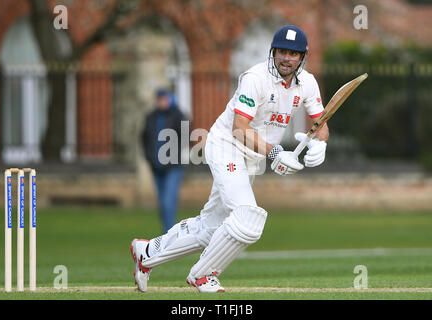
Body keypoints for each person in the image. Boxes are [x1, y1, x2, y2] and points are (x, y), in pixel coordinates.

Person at [131, 25, 329, 293]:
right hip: (227, 145)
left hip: (251, 156)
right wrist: (274, 153)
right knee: (247, 216)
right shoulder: (255, 78)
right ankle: (203, 275)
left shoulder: (308, 83)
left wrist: (320, 143)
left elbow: (321, 123)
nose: (286, 58)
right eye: (282, 51)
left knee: (211, 228)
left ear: (302, 56)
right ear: (273, 52)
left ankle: (147, 252)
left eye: (293, 54)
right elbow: (239, 127)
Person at [141, 89, 186, 233]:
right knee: (162, 204)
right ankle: (167, 232)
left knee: (168, 201)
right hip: (156, 167)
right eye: (159, 99)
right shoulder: (151, 117)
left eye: (164, 99)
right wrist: (149, 157)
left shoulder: (177, 115)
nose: (162, 102)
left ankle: (169, 234)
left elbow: (186, 136)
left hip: (173, 167)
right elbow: (144, 138)